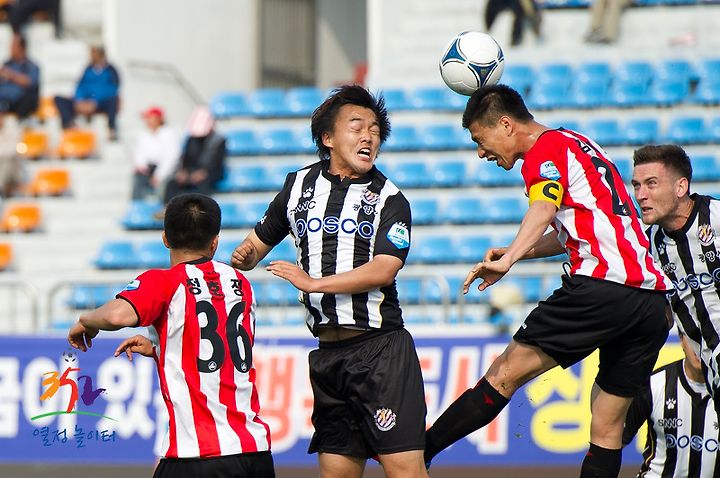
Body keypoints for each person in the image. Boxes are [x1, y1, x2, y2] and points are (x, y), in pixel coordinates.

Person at [423, 84, 671, 478]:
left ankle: (419, 453)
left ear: (506, 125)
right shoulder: (578, 142)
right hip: (651, 300)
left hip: (601, 288)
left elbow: (542, 208)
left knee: (504, 374)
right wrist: (515, 251)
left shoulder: (543, 150)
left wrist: (509, 261)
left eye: (480, 140)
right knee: (607, 427)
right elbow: (580, 228)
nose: (481, 153)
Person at [231, 85, 428, 478]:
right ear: (328, 138)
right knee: (336, 473)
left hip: (380, 352)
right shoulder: (298, 186)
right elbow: (256, 246)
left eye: (375, 130)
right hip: (328, 356)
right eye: (357, 127)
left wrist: (314, 284)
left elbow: (385, 269)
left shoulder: (390, 199)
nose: (368, 137)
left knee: (405, 471)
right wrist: (244, 255)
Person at [67, 193, 275, 478]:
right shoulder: (240, 283)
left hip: (198, 455)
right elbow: (221, 346)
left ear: (165, 238)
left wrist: (86, 321)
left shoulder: (165, 281)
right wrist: (160, 349)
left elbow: (116, 316)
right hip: (255, 452)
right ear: (214, 242)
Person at [631, 144, 720, 411]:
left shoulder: (716, 219)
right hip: (713, 374)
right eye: (636, 186)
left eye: (651, 184)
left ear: (681, 187)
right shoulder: (649, 247)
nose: (641, 195)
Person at [622, 330, 718, 478]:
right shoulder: (654, 384)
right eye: (693, 337)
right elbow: (613, 437)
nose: (699, 346)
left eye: (706, 338)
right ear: (681, 340)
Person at [54, 45, 120, 140]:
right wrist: (79, 100)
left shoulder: (111, 70)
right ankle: (69, 125)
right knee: (58, 99)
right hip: (84, 102)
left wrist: (95, 101)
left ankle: (111, 129)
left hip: (100, 102)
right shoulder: (88, 69)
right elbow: (80, 85)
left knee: (113, 101)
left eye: (94, 53)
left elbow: (113, 89)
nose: (92, 56)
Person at [163, 106, 226, 205]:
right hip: (191, 171)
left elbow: (217, 163)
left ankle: (198, 209)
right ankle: (168, 207)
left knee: (203, 185)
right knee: (172, 183)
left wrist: (204, 172)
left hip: (210, 173)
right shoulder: (191, 139)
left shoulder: (219, 141)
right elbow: (186, 158)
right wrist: (183, 171)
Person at [131, 106, 180, 201]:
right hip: (148, 169)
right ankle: (137, 205)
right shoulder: (144, 135)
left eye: (150, 118)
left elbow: (171, 158)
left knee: (163, 188)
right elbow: (139, 154)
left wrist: (159, 175)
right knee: (137, 179)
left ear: (159, 119)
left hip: (166, 170)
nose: (147, 121)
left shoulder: (169, 134)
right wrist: (141, 166)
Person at [0, 34, 39, 119]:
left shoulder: (31, 66)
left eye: (13, 46)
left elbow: (30, 82)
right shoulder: (7, 64)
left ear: (22, 48)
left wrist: (12, 75)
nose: (11, 49)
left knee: (27, 99)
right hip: (5, 101)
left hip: (21, 103)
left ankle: (22, 122)